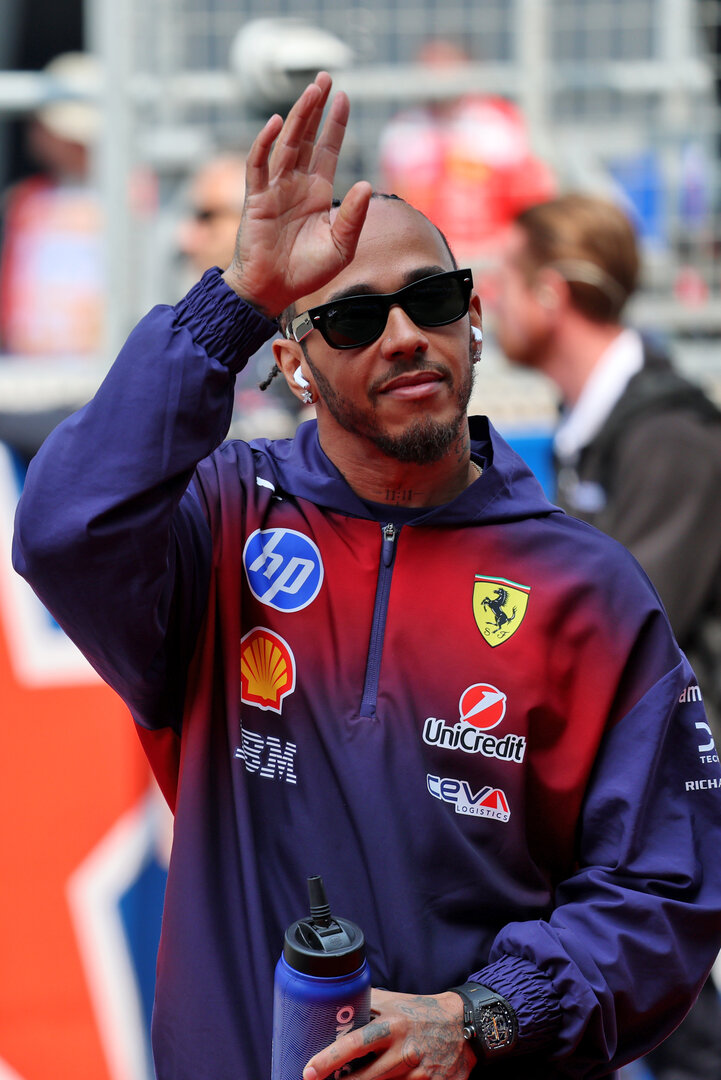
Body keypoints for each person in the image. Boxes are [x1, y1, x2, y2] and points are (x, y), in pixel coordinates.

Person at [12, 74, 721, 1080]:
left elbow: (663, 889)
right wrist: (237, 303)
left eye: (431, 302)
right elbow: (64, 530)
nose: (402, 336)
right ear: (294, 362)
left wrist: (479, 1018)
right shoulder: (224, 521)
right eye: (350, 320)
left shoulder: (586, 589)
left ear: (472, 317)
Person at [492, 191, 721, 1080]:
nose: (488, 303)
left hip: (682, 817)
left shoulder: (668, 434)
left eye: (503, 280)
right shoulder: (598, 428)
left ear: (550, 294)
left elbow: (626, 629)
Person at [377, 38, 556, 265]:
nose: (437, 74)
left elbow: (533, 202)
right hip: (429, 261)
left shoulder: (500, 124)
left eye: (446, 64)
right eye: (429, 65)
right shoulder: (403, 130)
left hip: (495, 260)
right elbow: (394, 208)